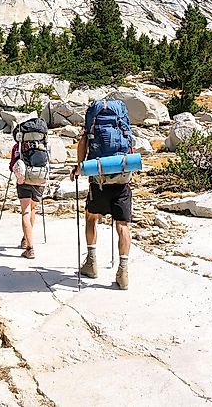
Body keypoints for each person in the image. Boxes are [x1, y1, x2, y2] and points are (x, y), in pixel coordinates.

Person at [70, 101, 133, 290]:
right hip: (122, 180)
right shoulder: (121, 121)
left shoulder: (93, 123)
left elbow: (83, 143)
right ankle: (123, 271)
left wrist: (79, 167)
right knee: (122, 225)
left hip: (98, 181)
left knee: (91, 217)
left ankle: (91, 262)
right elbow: (130, 146)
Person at [9, 141, 44, 259]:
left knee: (25, 211)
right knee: (33, 209)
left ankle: (29, 247)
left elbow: (12, 166)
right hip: (40, 179)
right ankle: (25, 239)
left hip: (23, 180)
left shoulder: (18, 146)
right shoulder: (42, 144)